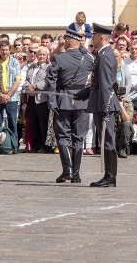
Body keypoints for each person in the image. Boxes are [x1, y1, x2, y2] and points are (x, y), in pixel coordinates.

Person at [44, 29, 93, 183]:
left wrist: (52, 101)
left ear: (68, 40)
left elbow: (50, 82)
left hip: (63, 100)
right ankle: (76, 174)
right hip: (82, 100)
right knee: (79, 137)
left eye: (65, 39)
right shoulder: (89, 58)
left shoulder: (59, 58)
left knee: (62, 136)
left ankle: (67, 170)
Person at [86, 23, 119, 187]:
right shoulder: (103, 54)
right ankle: (109, 175)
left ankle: (110, 176)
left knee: (107, 140)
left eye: (94, 36)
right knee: (105, 139)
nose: (92, 38)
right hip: (100, 100)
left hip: (104, 103)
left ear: (101, 37)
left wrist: (105, 107)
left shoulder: (105, 55)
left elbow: (106, 84)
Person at [0, 40, 23, 153]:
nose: (4, 52)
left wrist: (8, 95)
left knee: (12, 121)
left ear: (9, 50)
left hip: (12, 97)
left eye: (6, 50)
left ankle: (14, 146)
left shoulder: (14, 62)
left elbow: (18, 80)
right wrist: (0, 95)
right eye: (2, 50)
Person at [24, 46, 51, 153]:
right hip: (31, 98)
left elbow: (47, 81)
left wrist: (34, 86)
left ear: (47, 56)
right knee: (33, 122)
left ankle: (44, 145)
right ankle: (36, 144)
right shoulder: (32, 67)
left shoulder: (49, 67)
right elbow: (26, 79)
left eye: (44, 55)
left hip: (42, 100)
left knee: (42, 123)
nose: (41, 57)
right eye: (40, 54)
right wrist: (27, 86)